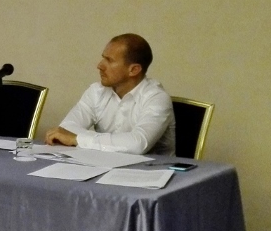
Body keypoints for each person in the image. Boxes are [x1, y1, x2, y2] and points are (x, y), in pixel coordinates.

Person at [44, 33, 176, 155]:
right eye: (103, 58)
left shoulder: (157, 98)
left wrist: (79, 139)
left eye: (109, 60)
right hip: (103, 167)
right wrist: (78, 139)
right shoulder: (96, 91)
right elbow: (66, 129)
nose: (100, 66)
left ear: (134, 70)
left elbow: (138, 144)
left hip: (152, 174)